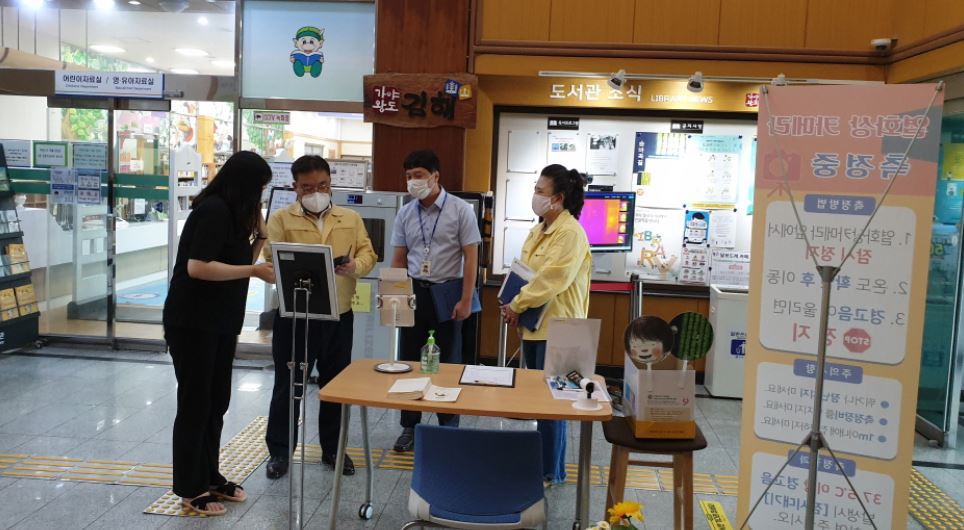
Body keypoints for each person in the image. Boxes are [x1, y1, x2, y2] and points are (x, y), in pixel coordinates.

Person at [163, 151, 276, 516]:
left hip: (220, 321)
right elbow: (198, 267)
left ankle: (209, 476)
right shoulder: (213, 211)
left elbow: (242, 259)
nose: (260, 195)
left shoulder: (234, 214)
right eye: (259, 188)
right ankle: (190, 487)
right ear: (244, 185)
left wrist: (260, 234)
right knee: (196, 403)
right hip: (193, 322)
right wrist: (253, 271)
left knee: (216, 401)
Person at [263, 155, 377, 478]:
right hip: (295, 316)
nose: (316, 192)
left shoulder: (350, 218)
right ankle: (280, 452)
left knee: (336, 385)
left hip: (338, 315)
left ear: (331, 184)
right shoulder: (281, 219)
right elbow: (270, 257)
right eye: (308, 187)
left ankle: (334, 449)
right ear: (295, 188)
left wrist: (355, 266)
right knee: (288, 384)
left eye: (323, 185)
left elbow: (368, 253)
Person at [501, 164, 592, 486]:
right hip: (534, 325)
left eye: (541, 191)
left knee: (554, 404)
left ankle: (549, 472)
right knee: (542, 400)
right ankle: (549, 467)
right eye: (535, 190)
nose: (535, 196)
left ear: (558, 198)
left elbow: (551, 280)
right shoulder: (539, 230)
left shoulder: (570, 233)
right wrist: (512, 303)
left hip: (560, 330)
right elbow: (525, 273)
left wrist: (517, 304)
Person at [390, 149, 481, 452]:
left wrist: (466, 299)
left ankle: (448, 425)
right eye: (408, 176)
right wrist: (394, 300)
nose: (412, 181)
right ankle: (410, 426)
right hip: (415, 291)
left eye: (418, 175)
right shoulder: (405, 212)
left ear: (435, 176)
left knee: (448, 362)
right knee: (410, 361)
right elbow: (399, 259)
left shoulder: (460, 210)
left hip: (448, 291)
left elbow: (471, 258)